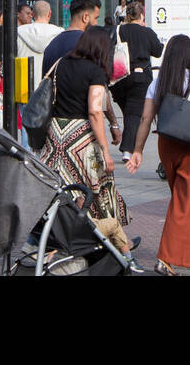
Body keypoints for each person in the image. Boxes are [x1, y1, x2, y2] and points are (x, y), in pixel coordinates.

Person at [126, 34, 190, 275]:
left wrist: (137, 150)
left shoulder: (158, 82)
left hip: (167, 145)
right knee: (185, 201)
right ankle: (166, 259)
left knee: (186, 197)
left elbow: (146, 119)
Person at [41, 26, 130, 237]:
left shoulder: (60, 63)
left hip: (55, 136)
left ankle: (56, 235)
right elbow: (94, 112)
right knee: (95, 189)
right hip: (82, 140)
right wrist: (106, 151)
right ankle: (102, 237)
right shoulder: (95, 72)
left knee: (62, 189)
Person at [112, 1, 163, 160]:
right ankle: (128, 150)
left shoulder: (118, 29)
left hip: (119, 77)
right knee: (134, 114)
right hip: (140, 78)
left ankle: (126, 143)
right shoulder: (146, 32)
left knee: (128, 112)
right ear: (141, 16)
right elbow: (158, 51)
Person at [42, 0, 101, 72]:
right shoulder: (88, 45)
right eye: (95, 18)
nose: (96, 23)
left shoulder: (51, 45)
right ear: (85, 17)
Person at [18, 0, 64, 95]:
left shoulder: (19, 32)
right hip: (50, 88)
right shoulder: (60, 33)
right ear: (49, 14)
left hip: (23, 88)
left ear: (32, 14)